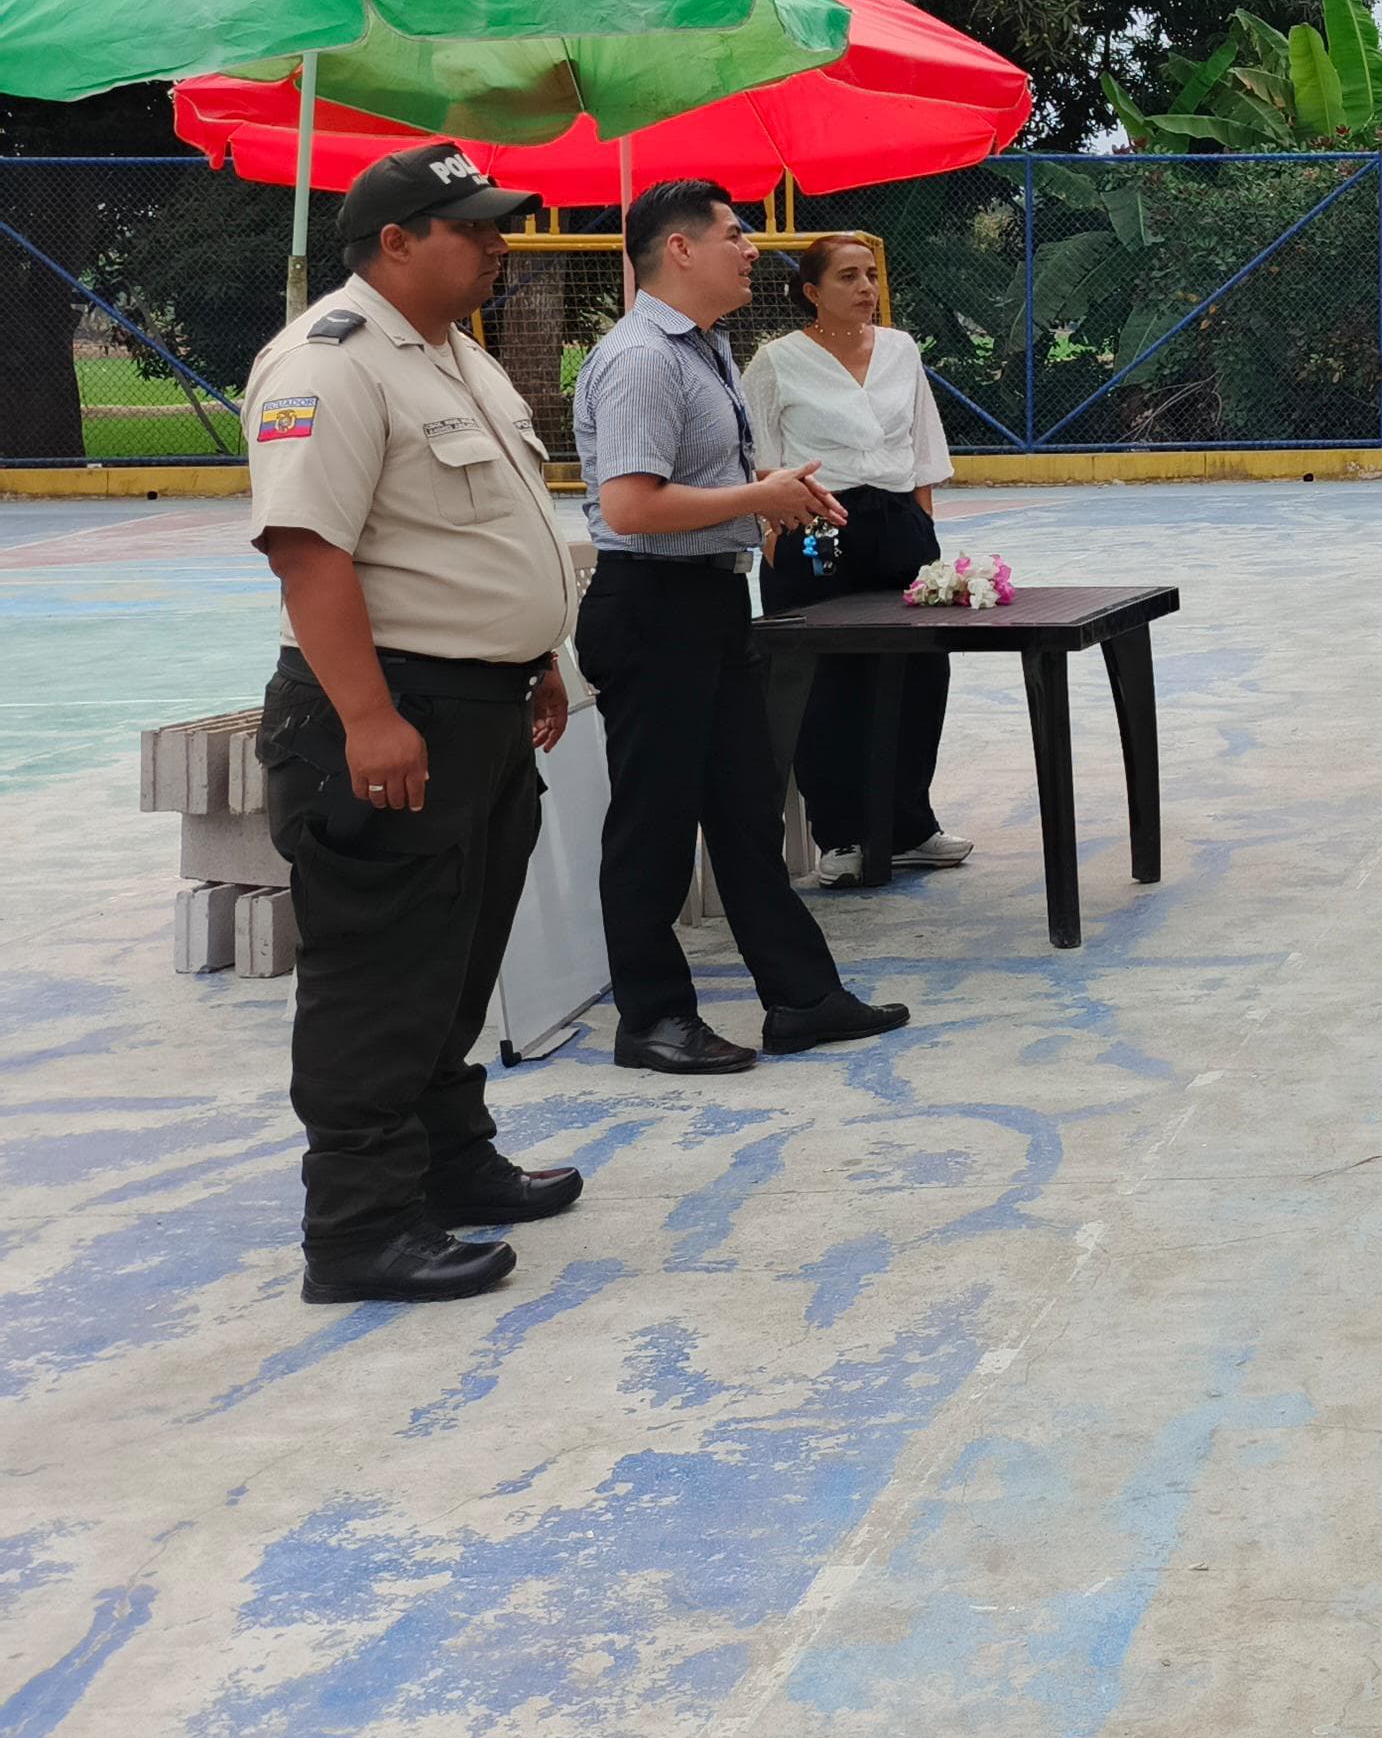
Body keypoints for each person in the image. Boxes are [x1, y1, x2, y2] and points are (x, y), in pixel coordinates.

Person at [243, 144, 583, 1305]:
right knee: (379, 974)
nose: (497, 241)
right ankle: (359, 1226)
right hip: (391, 711)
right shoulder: (326, 361)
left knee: (456, 955)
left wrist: (534, 654)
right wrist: (369, 717)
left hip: (479, 707)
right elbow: (308, 552)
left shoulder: (456, 356)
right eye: (472, 225)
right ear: (394, 240)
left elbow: (477, 534)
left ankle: (449, 1160)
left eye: (496, 222)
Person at [574, 180, 907, 1075]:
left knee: (745, 811)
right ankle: (652, 1018)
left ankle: (802, 997)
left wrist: (769, 497)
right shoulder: (643, 359)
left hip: (711, 602)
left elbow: (695, 487)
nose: (752, 249)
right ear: (679, 249)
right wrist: (756, 498)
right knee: (653, 824)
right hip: (653, 606)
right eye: (734, 234)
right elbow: (631, 507)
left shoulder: (707, 348)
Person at [744, 232, 963, 874]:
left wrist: (923, 532)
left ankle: (910, 825)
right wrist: (773, 537)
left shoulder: (901, 349)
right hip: (817, 525)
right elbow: (757, 457)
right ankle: (841, 835)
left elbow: (923, 449)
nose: (866, 287)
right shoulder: (776, 361)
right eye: (847, 276)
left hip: (898, 522)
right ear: (812, 292)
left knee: (920, 670)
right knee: (827, 681)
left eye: (870, 274)